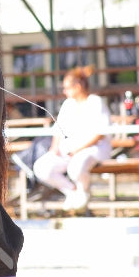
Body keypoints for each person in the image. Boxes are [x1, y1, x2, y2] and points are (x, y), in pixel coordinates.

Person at [32, 66, 112, 212]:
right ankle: (73, 191)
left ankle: (83, 191)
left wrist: (79, 149)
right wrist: (55, 147)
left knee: (76, 167)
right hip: (69, 148)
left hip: (93, 148)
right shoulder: (68, 104)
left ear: (78, 86)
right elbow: (59, 129)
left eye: (67, 88)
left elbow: (100, 133)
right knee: (42, 167)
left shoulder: (95, 102)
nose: (65, 91)